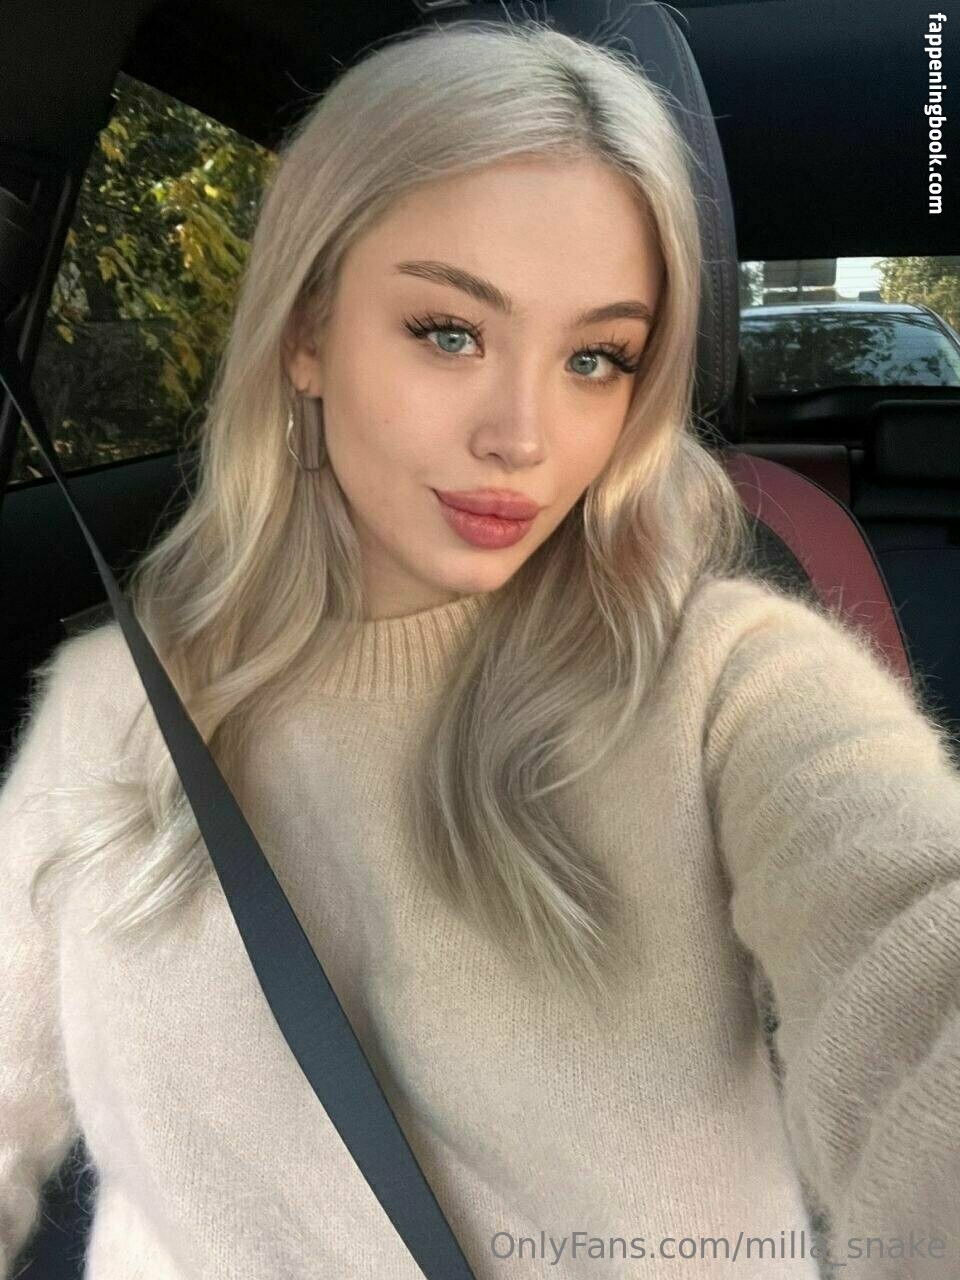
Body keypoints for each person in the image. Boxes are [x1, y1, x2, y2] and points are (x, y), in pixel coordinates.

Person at [2, 15, 960, 1280]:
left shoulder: (734, 688)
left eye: (596, 358)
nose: (524, 435)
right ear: (306, 332)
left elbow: (915, 955)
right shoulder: (109, 710)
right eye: (450, 330)